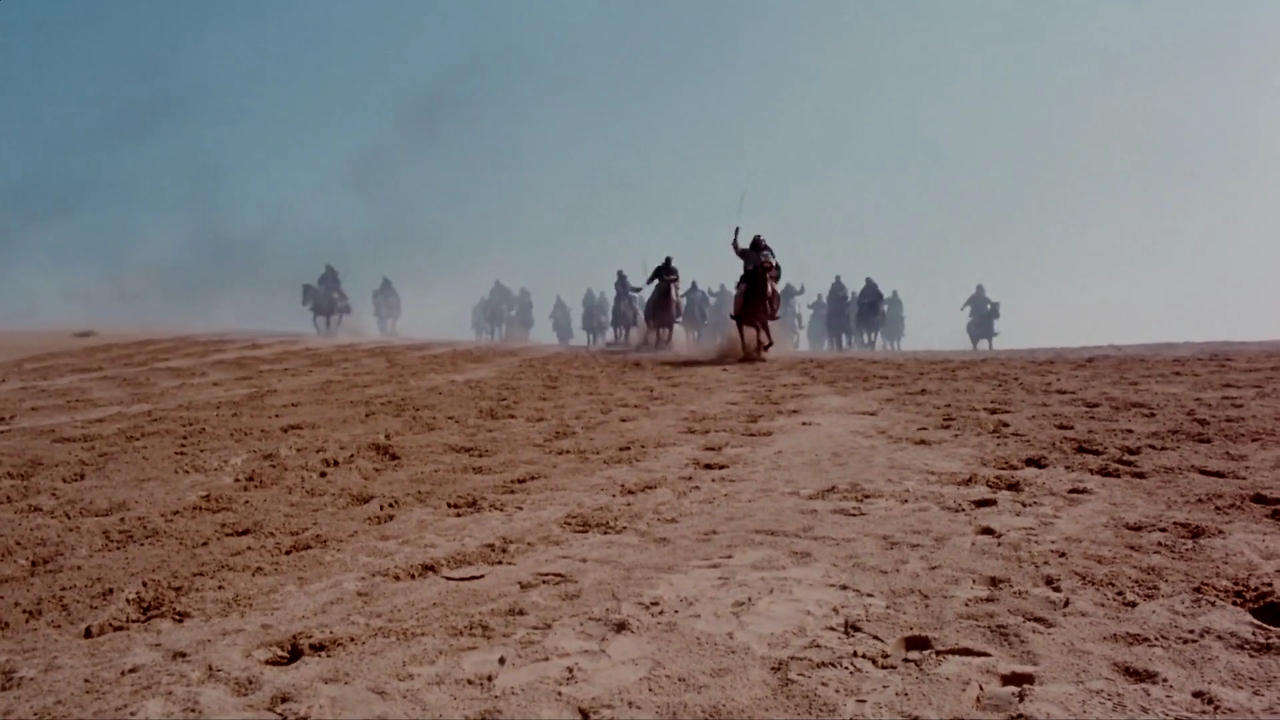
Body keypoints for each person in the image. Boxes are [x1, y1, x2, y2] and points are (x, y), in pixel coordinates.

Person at [731, 232, 782, 321]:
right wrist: (735, 242)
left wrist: (774, 275)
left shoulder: (767, 254)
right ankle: (737, 313)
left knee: (776, 292)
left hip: (764, 278)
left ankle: (773, 312)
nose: (759, 246)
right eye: (757, 243)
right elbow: (738, 251)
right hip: (748, 279)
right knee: (740, 292)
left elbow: (774, 265)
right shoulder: (747, 253)